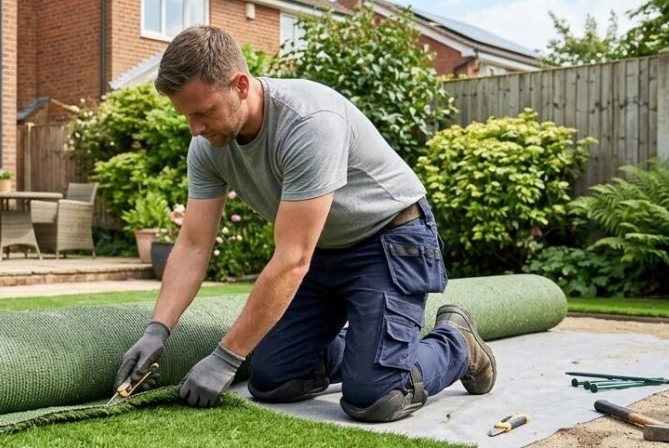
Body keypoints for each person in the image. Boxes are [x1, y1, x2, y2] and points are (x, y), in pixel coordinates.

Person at [112, 25, 497, 423]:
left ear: (240, 85)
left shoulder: (309, 122)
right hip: (324, 254)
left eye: (203, 112)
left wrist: (225, 359)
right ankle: (371, 345)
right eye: (187, 116)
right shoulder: (207, 147)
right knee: (273, 379)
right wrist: (158, 329)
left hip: (389, 242)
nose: (195, 128)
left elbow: (292, 258)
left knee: (374, 396)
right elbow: (193, 245)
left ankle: (456, 342)